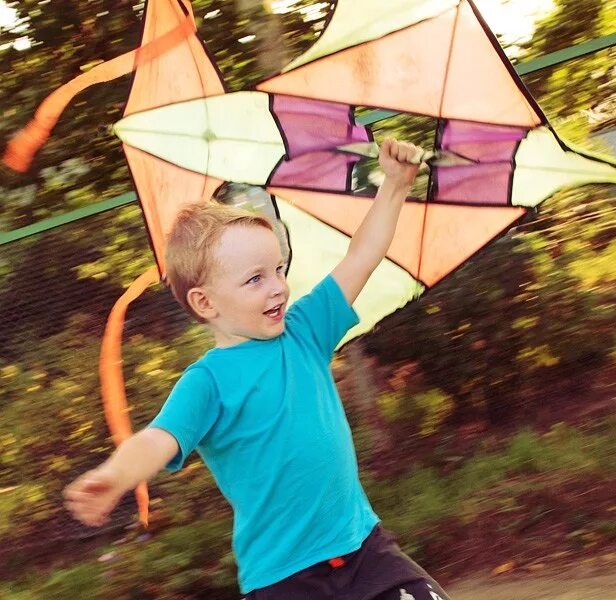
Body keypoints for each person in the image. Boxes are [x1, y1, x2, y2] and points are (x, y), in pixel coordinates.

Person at [64, 138, 450, 600]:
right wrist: (117, 475)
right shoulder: (207, 384)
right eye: (255, 279)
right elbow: (156, 439)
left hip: (366, 551)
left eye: (279, 269)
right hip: (283, 581)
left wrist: (395, 185)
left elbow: (361, 256)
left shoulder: (306, 330)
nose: (279, 288)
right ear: (205, 302)